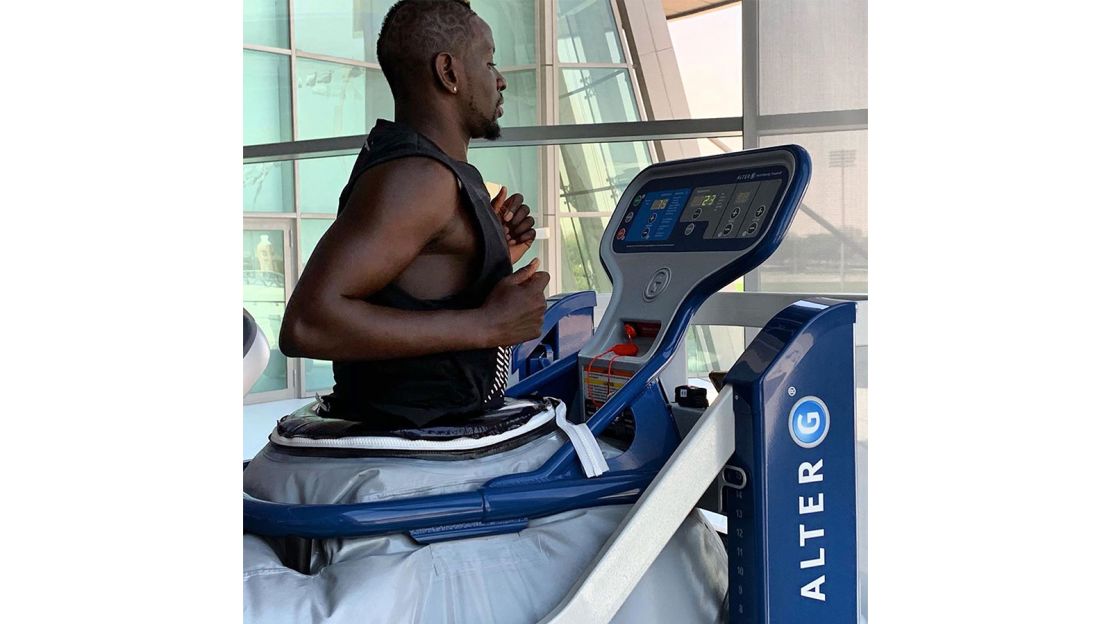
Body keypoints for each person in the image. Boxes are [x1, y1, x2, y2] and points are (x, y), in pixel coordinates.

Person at [279, 0, 547, 428]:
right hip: (411, 443)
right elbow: (307, 324)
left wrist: (487, 258)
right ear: (449, 73)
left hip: (446, 424)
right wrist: (487, 325)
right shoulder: (417, 177)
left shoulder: (442, 172)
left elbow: (417, 280)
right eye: (489, 60)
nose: (499, 80)